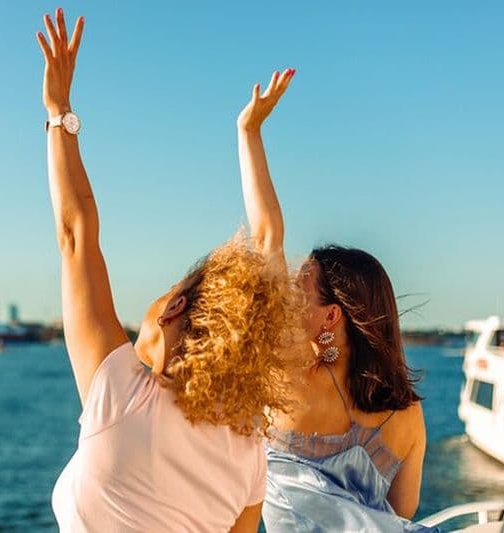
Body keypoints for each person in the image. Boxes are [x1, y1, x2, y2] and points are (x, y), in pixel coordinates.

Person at [36, 9, 304, 532]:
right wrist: (248, 131)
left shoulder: (120, 393)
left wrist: (58, 112)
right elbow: (267, 247)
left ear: (175, 307)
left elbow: (76, 235)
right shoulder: (247, 451)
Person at [235, 70, 439, 531]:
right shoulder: (408, 412)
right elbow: (402, 513)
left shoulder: (288, 381)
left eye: (299, 286)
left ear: (330, 315)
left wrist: (248, 131)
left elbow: (267, 237)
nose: (286, 291)